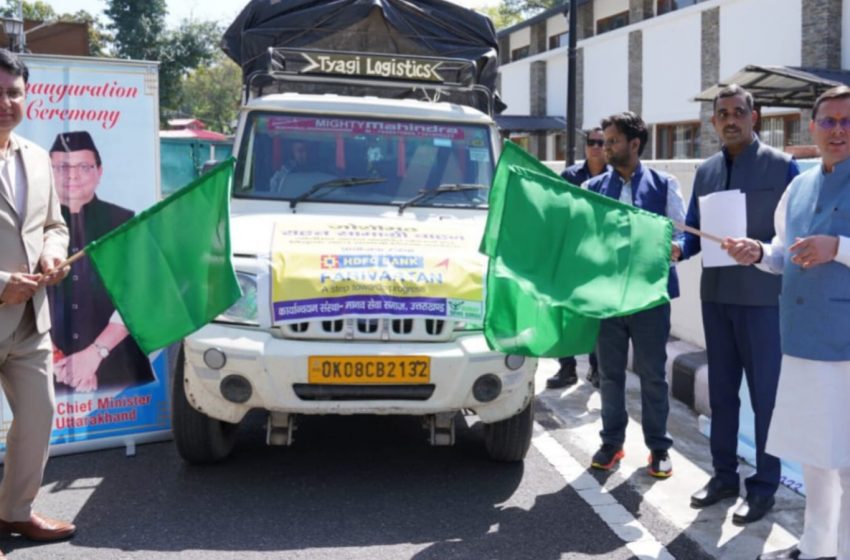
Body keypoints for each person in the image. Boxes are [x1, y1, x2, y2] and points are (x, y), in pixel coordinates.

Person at [723, 85, 850, 560]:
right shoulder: (798, 186)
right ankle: (816, 548)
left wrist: (838, 247)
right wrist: (757, 253)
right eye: (829, 121)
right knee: (815, 456)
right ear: (812, 128)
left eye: (846, 121)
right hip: (799, 342)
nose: (838, 130)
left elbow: (825, 250)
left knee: (848, 462)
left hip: (846, 347)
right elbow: (784, 254)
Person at [680, 85, 799, 525]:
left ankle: (764, 486)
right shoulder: (707, 171)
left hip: (764, 303)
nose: (730, 120)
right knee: (723, 395)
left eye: (738, 112)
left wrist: (762, 247)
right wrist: (677, 247)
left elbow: (795, 235)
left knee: (766, 399)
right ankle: (724, 476)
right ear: (713, 123)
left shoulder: (784, 167)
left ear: (755, 116)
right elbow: (691, 229)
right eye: (722, 114)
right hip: (716, 299)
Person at [0, 48, 76, 550]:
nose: (6, 103)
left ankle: (14, 511)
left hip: (30, 320)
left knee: (39, 415)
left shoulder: (35, 157)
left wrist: (52, 255)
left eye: (13, 93)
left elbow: (54, 224)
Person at [586, 112, 685, 478]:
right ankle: (612, 443)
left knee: (653, 376)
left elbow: (685, 233)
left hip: (650, 299)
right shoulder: (595, 190)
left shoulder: (664, 184)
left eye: (612, 141)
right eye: (605, 141)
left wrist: (679, 248)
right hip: (609, 300)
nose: (606, 147)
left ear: (634, 144)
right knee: (609, 375)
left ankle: (658, 448)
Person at [47, 131, 155, 393]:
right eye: (61, 167)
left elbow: (141, 294)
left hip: (119, 367)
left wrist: (94, 355)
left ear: (99, 171)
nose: (71, 175)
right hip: (47, 368)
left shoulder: (125, 222)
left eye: (83, 167)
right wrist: (56, 358)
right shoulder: (29, 223)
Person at [547, 127, 610, 390]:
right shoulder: (570, 176)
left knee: (597, 314)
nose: (595, 146)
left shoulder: (613, 178)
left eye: (601, 142)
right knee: (566, 311)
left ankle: (596, 369)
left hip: (600, 257)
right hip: (572, 253)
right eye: (591, 142)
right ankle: (567, 368)